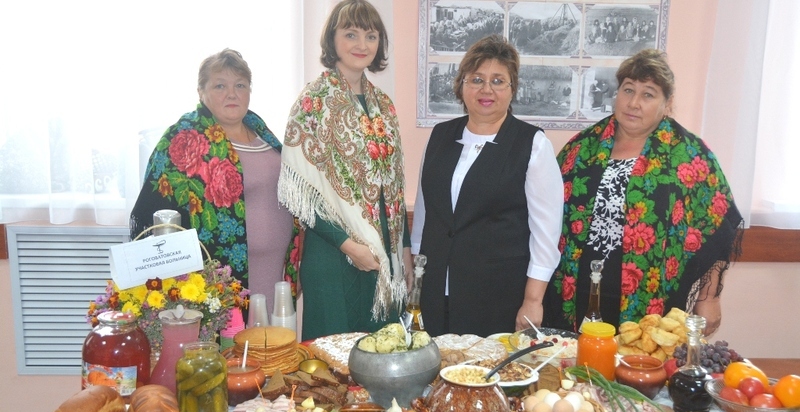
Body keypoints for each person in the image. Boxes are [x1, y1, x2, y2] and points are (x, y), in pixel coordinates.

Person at [541, 49, 743, 335]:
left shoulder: (689, 154)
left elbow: (717, 226)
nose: (634, 103)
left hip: (652, 298)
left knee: (639, 361)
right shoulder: (581, 147)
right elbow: (545, 216)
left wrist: (709, 298)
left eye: (648, 94)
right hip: (576, 291)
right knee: (578, 362)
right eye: (628, 90)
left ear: (667, 103)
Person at [410, 35, 563, 337]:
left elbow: (546, 234)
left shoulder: (532, 144)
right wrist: (416, 277)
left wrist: (533, 301)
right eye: (477, 79)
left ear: (512, 88)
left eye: (498, 81)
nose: (486, 89)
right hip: (435, 291)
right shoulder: (439, 136)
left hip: (498, 296)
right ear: (462, 85)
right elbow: (425, 212)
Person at [278, 0, 412, 341]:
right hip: (333, 254)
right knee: (333, 361)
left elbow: (393, 189)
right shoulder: (313, 101)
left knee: (384, 354)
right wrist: (350, 247)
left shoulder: (384, 106)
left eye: (371, 36)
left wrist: (405, 252)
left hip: (383, 256)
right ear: (332, 40)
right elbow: (300, 191)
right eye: (351, 34)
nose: (361, 44)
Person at [130, 49, 296, 318]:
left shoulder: (262, 131)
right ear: (201, 92)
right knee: (233, 342)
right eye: (220, 86)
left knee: (273, 341)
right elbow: (154, 209)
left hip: (275, 268)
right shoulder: (183, 138)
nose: (232, 94)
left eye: (240, 85)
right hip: (221, 279)